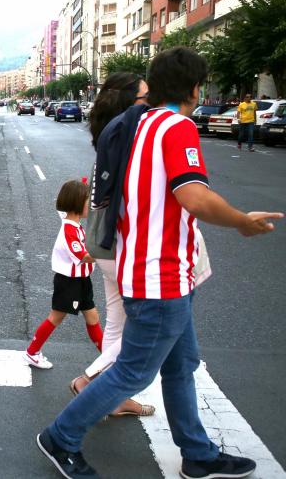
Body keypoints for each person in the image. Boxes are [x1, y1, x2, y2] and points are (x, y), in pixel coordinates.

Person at [36, 47, 283, 479]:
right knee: (132, 372)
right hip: (160, 276)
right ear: (194, 88)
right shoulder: (176, 127)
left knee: (181, 365)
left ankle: (197, 453)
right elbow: (193, 195)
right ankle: (62, 435)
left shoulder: (138, 125)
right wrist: (241, 221)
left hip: (150, 270)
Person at [70, 72, 156, 417]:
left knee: (118, 324)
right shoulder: (129, 139)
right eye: (145, 98)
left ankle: (114, 397)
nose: (150, 104)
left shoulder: (109, 135)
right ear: (129, 103)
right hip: (119, 246)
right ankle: (90, 381)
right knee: (144, 327)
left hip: (102, 245)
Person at [24, 180, 102, 370]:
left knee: (93, 317)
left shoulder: (74, 225)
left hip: (82, 280)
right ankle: (32, 353)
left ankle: (108, 358)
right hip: (69, 282)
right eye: (87, 201)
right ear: (77, 203)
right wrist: (110, 253)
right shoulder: (69, 230)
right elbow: (83, 256)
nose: (90, 205)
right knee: (56, 317)